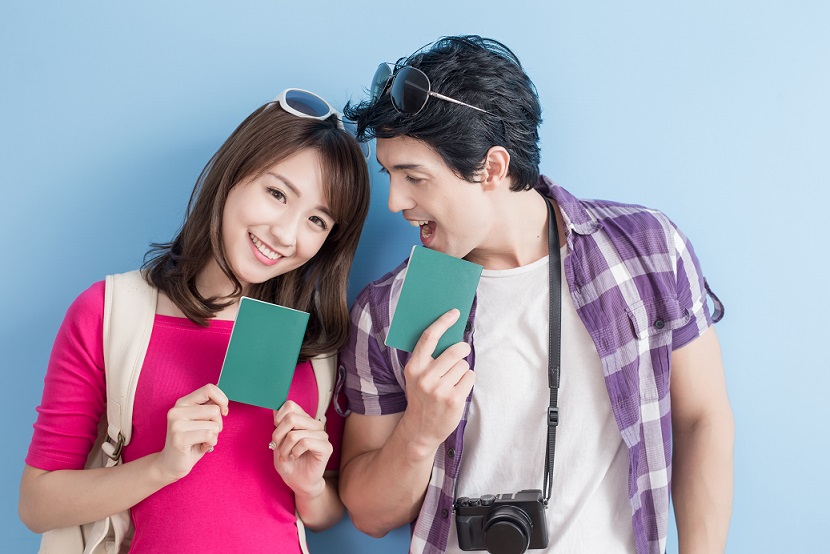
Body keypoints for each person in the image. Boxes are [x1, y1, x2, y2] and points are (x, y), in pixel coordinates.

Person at [338, 36, 734, 554]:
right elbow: (368, 516)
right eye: (390, 174)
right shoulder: (387, 309)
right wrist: (418, 432)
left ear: (493, 168)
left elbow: (703, 419)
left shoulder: (647, 250)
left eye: (414, 177)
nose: (394, 201)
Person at [19, 88, 370, 552]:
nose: (286, 235)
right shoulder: (108, 312)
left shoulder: (315, 344)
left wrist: (307, 487)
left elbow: (325, 511)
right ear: (233, 174)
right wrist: (162, 466)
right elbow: (37, 504)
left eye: (317, 221)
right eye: (277, 193)